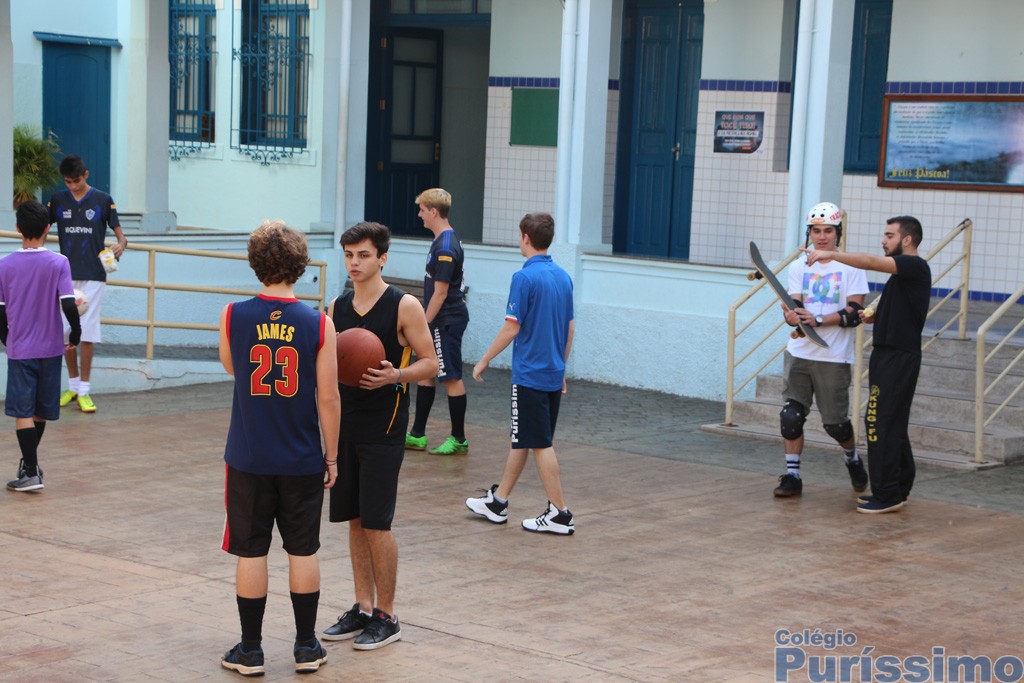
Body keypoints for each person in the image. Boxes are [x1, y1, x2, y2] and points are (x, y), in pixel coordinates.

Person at [218, 221, 341, 676]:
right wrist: (331, 456)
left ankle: (251, 651)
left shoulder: (232, 315)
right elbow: (328, 397)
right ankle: (306, 647)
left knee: (251, 551)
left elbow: (234, 368)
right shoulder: (319, 323)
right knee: (303, 550)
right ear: (300, 265)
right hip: (302, 457)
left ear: (255, 263)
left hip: (249, 456)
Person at [322, 221, 437, 650]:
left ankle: (388, 616)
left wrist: (396, 375)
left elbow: (431, 363)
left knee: (377, 523)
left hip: (384, 429)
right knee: (354, 520)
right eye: (349, 255)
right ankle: (364, 607)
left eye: (364, 255)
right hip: (345, 425)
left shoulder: (404, 305)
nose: (354, 262)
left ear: (382, 258)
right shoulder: (336, 307)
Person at [803, 215, 931, 514]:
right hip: (890, 355)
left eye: (889, 235)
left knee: (878, 421)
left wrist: (830, 255)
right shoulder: (903, 275)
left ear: (907, 239)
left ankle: (887, 495)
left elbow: (870, 262)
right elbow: (903, 310)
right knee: (890, 422)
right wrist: (875, 316)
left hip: (898, 357)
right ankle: (898, 489)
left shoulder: (913, 265)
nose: (883, 241)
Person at [466, 212, 576, 535]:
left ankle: (560, 513)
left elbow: (511, 327)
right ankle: (498, 502)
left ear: (525, 238)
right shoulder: (563, 277)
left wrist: (484, 359)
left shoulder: (524, 278)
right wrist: (561, 367)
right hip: (552, 373)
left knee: (540, 443)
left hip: (529, 375)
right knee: (523, 439)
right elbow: (569, 329)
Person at [773, 202, 869, 499]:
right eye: (816, 231)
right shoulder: (798, 266)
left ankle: (852, 458)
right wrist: (791, 316)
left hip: (833, 355)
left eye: (828, 230)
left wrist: (818, 320)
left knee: (836, 425)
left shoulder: (851, 266)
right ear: (809, 233)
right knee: (791, 417)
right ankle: (792, 475)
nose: (822, 236)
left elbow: (854, 313)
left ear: (838, 232)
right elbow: (795, 306)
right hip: (800, 351)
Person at [0, 200, 81, 492]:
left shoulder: (4, 265)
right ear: (48, 228)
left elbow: (0, 311)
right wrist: (76, 334)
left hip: (21, 349)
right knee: (40, 411)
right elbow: (69, 304)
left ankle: (31, 472)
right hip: (51, 348)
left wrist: (6, 339)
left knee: (23, 412)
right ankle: (29, 467)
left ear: (17, 228)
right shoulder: (59, 262)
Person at [48, 155, 128, 413]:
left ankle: (84, 390)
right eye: (68, 182)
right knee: (65, 332)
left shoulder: (103, 200)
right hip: (65, 274)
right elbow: (41, 228)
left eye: (77, 181)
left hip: (94, 275)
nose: (73, 186)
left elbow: (122, 238)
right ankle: (72, 386)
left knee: (87, 332)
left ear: (86, 175)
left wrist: (120, 246)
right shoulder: (57, 200)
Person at [404, 188, 471, 455]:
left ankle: (459, 438)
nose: (419, 215)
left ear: (434, 212)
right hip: (440, 319)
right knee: (426, 372)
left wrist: (422, 325)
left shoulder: (445, 247)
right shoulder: (443, 240)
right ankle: (417, 434)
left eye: (422, 210)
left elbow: (441, 293)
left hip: (446, 320)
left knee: (450, 376)